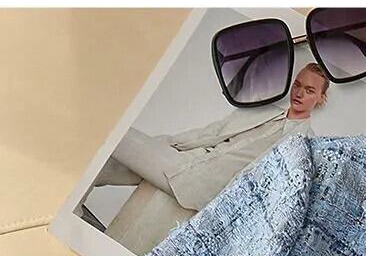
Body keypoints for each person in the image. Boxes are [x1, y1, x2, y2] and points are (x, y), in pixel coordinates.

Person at [88, 62, 330, 212]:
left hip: (203, 183)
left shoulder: (305, 145)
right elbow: (212, 132)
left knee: (118, 136)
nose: (299, 93)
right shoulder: (264, 109)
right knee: (109, 165)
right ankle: (75, 206)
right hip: (190, 158)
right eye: (297, 85)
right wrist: (166, 143)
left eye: (309, 90)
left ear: (321, 98)